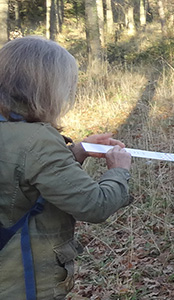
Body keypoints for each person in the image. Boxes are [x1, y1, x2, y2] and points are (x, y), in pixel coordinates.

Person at [0, 36, 132, 299]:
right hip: (23, 280)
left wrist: (76, 151)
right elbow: (95, 205)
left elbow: (20, 178)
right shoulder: (37, 140)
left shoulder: (13, 132)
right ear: (47, 86)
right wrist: (119, 170)